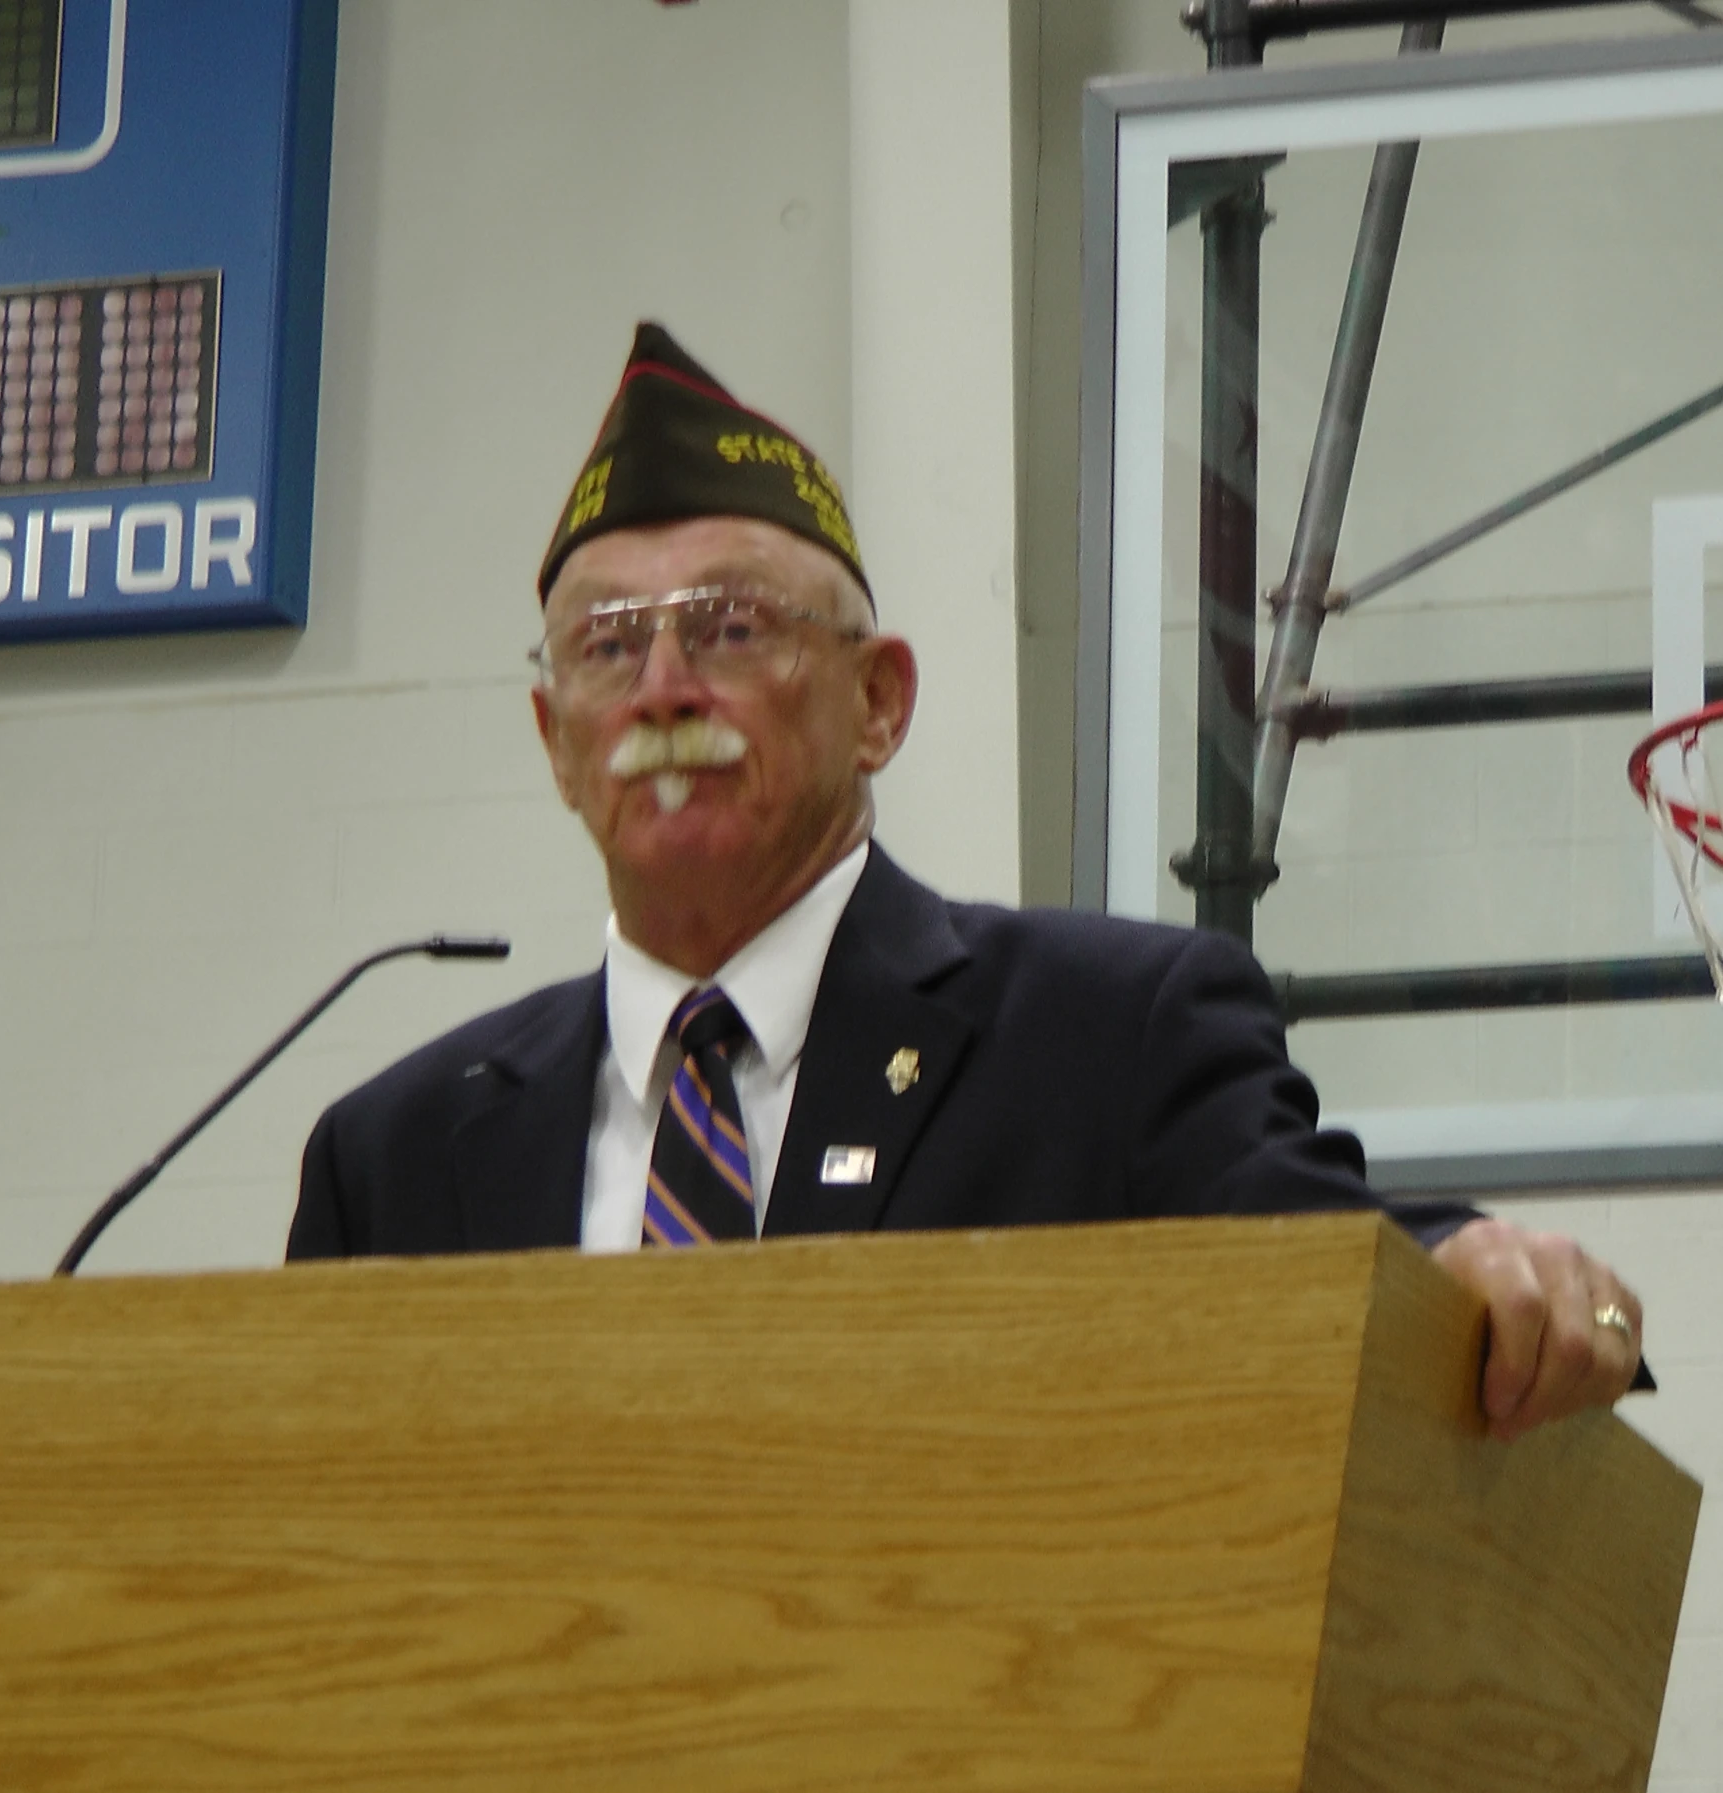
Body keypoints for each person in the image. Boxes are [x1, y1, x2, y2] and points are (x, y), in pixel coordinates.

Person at [290, 321, 1644, 1442]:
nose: (662, 690)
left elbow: (1312, 1258)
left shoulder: (1104, 1036)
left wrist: (1466, 1266)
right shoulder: (394, 1156)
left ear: (878, 704)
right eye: (604, 647)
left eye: (729, 627)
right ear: (553, 744)